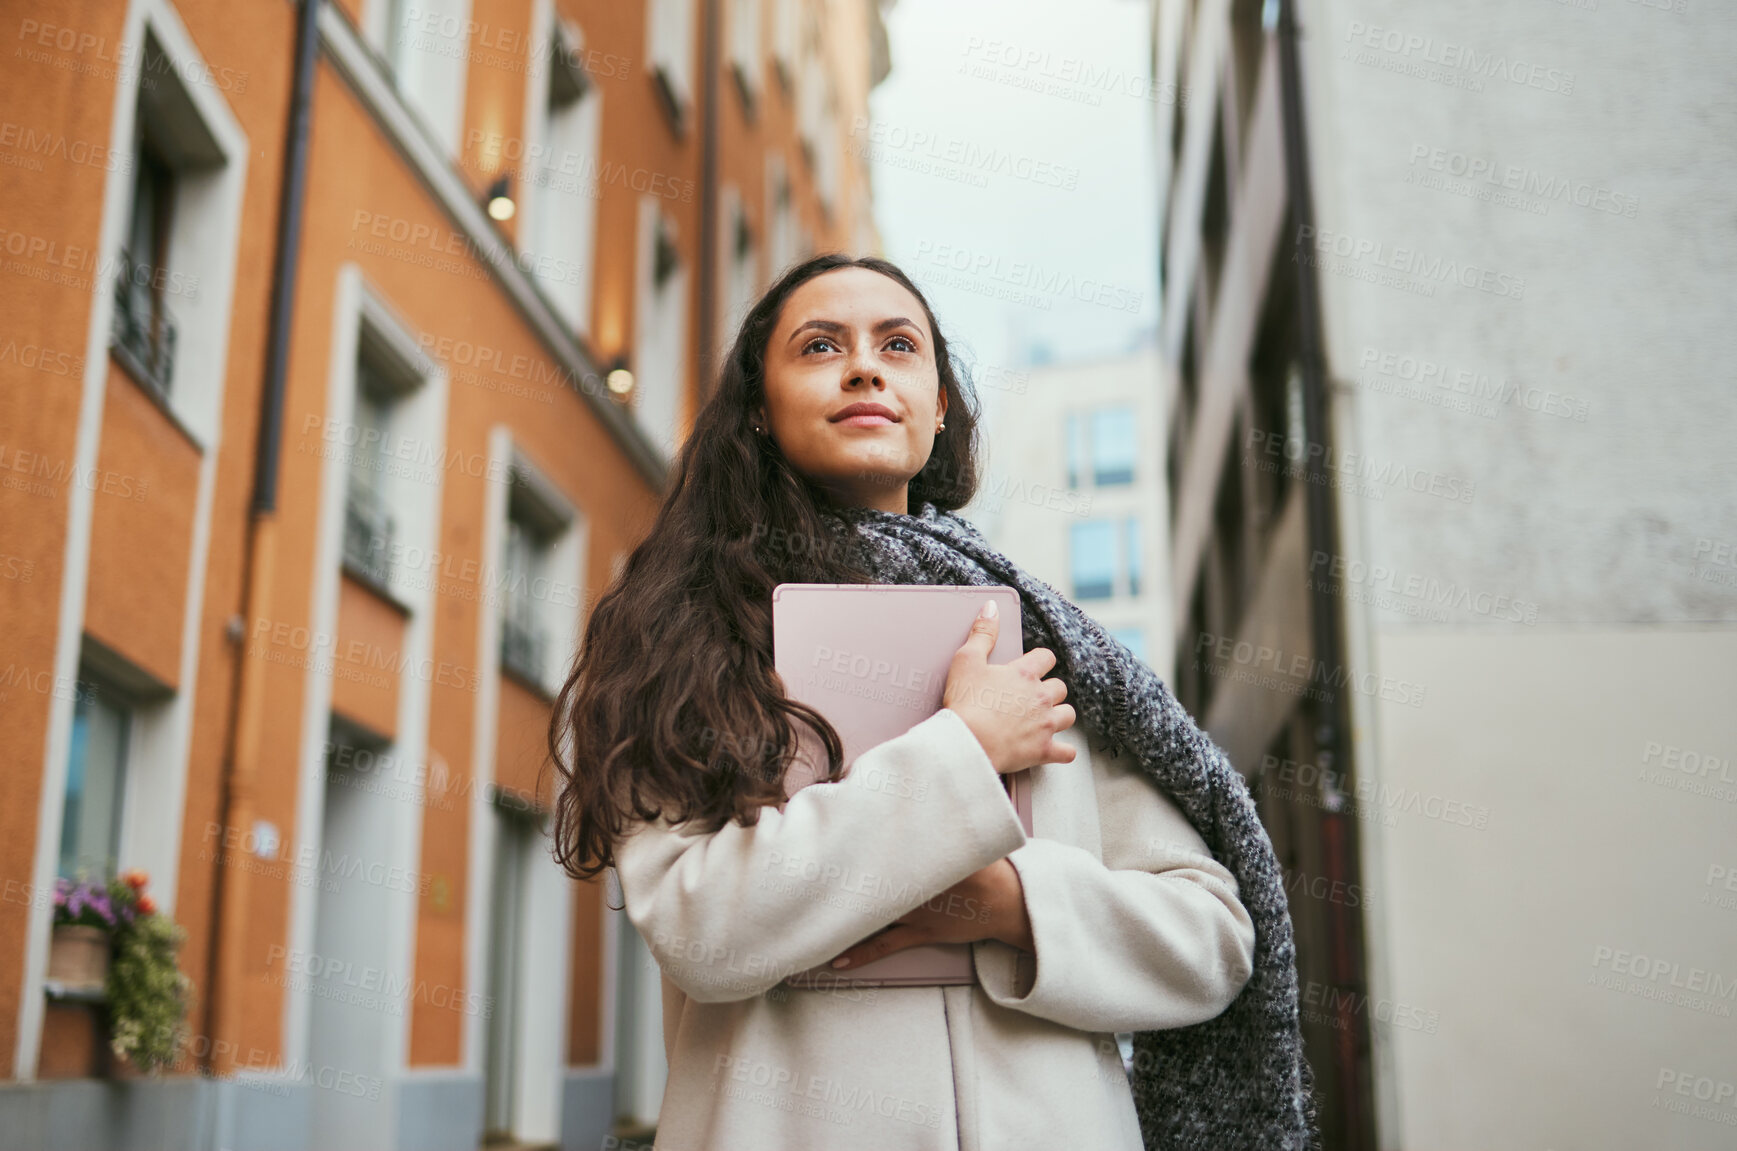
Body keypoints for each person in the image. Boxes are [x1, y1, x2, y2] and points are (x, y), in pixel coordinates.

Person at [550, 254, 1314, 1149]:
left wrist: (1008, 904)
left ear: (939, 403)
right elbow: (700, 926)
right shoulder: (683, 636)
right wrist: (961, 750)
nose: (864, 366)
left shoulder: (1053, 649)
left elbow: (1212, 938)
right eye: (819, 345)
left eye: (898, 344)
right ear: (758, 408)